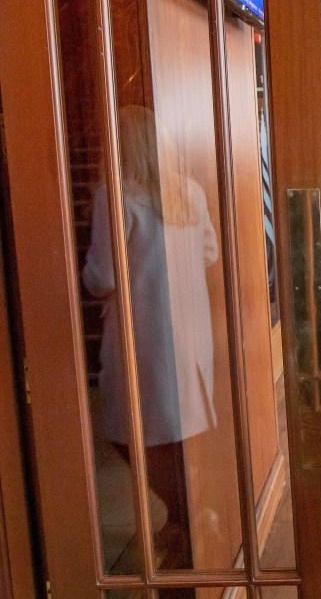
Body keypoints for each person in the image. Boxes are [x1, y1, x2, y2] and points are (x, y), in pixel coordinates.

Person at [83, 106, 219, 591]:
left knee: (130, 433)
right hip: (188, 334)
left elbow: (100, 276)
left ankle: (185, 518)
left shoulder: (113, 198)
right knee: (175, 436)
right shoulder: (190, 192)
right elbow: (210, 252)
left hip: (142, 338)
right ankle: (186, 519)